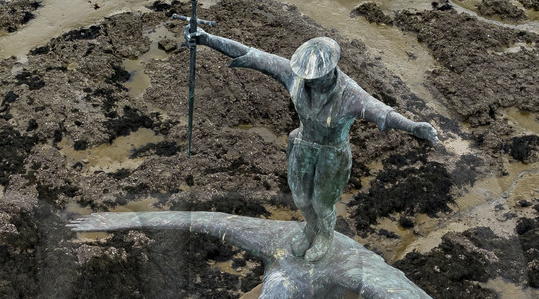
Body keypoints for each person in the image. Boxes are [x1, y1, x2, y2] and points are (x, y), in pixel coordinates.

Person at [184, 28, 441, 261]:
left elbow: (383, 113)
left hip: (332, 153)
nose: (306, 81)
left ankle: (325, 235)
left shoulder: (349, 94)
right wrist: (208, 39)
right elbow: (253, 55)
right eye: (304, 76)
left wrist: (414, 127)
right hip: (303, 143)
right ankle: (310, 228)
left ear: (328, 73)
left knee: (322, 203)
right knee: (301, 198)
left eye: (313, 77)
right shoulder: (294, 76)